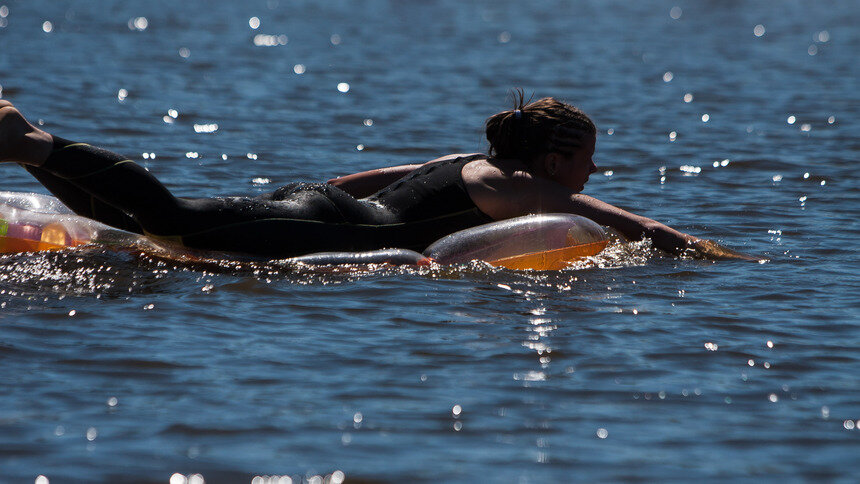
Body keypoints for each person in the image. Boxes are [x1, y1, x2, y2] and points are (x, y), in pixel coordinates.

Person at [0, 94, 754, 260]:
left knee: (152, 224)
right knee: (175, 221)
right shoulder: (538, 189)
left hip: (315, 204)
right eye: (588, 156)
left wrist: (301, 204)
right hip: (336, 228)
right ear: (557, 162)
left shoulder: (463, 163)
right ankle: (31, 141)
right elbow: (640, 227)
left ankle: (33, 147)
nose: (596, 169)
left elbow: (361, 176)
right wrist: (711, 255)